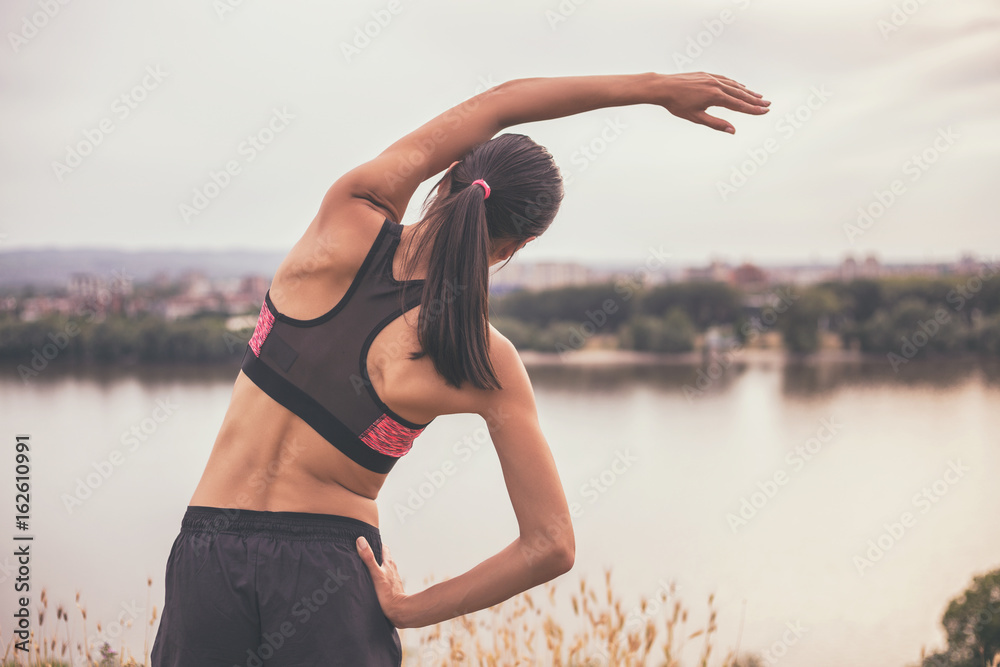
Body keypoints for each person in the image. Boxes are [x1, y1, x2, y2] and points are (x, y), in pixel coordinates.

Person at [150, 71, 770, 666]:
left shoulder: (347, 215)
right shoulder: (479, 355)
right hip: (328, 576)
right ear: (518, 246)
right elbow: (550, 546)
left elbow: (502, 102)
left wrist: (653, 88)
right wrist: (408, 609)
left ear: (449, 175)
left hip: (206, 554)